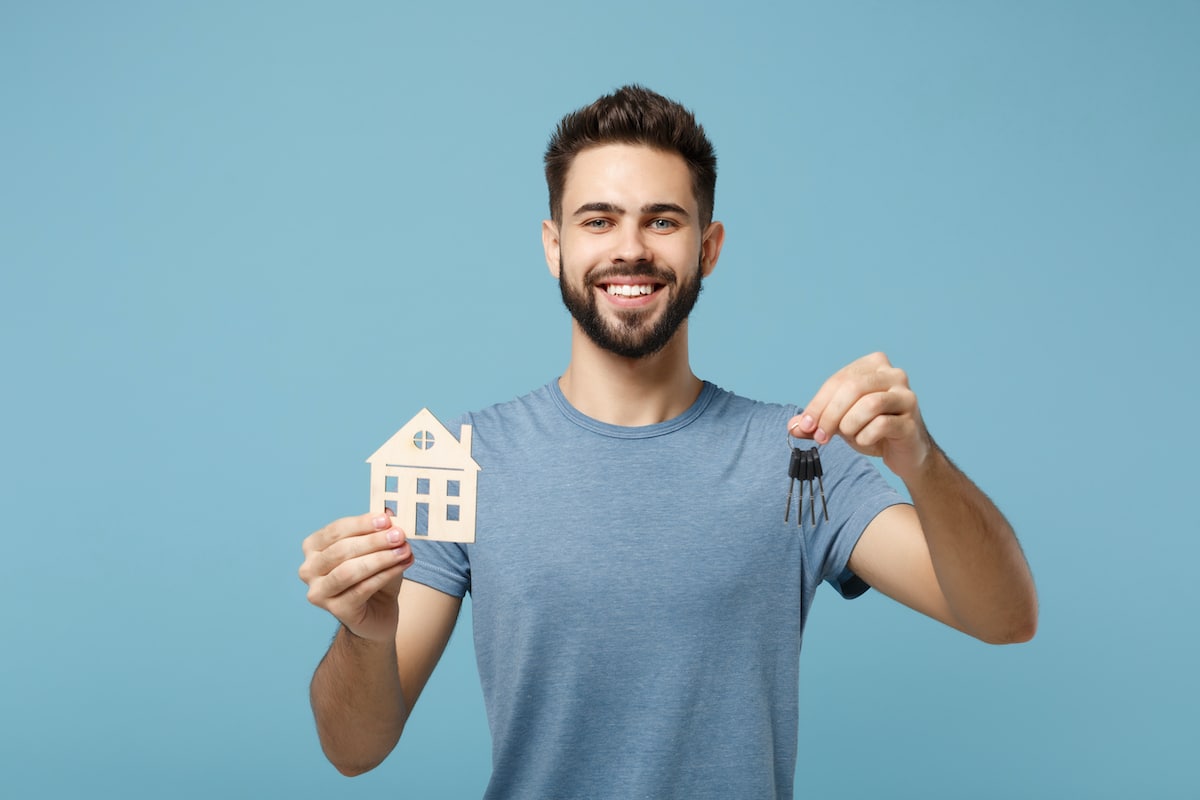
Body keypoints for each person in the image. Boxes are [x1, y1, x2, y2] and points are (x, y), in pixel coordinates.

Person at [298, 85, 1037, 798]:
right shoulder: (464, 462)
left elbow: (1005, 618)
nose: (630, 250)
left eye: (661, 220)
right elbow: (353, 751)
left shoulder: (799, 457)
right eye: (597, 220)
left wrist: (924, 464)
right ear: (553, 246)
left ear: (708, 247)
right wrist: (363, 638)